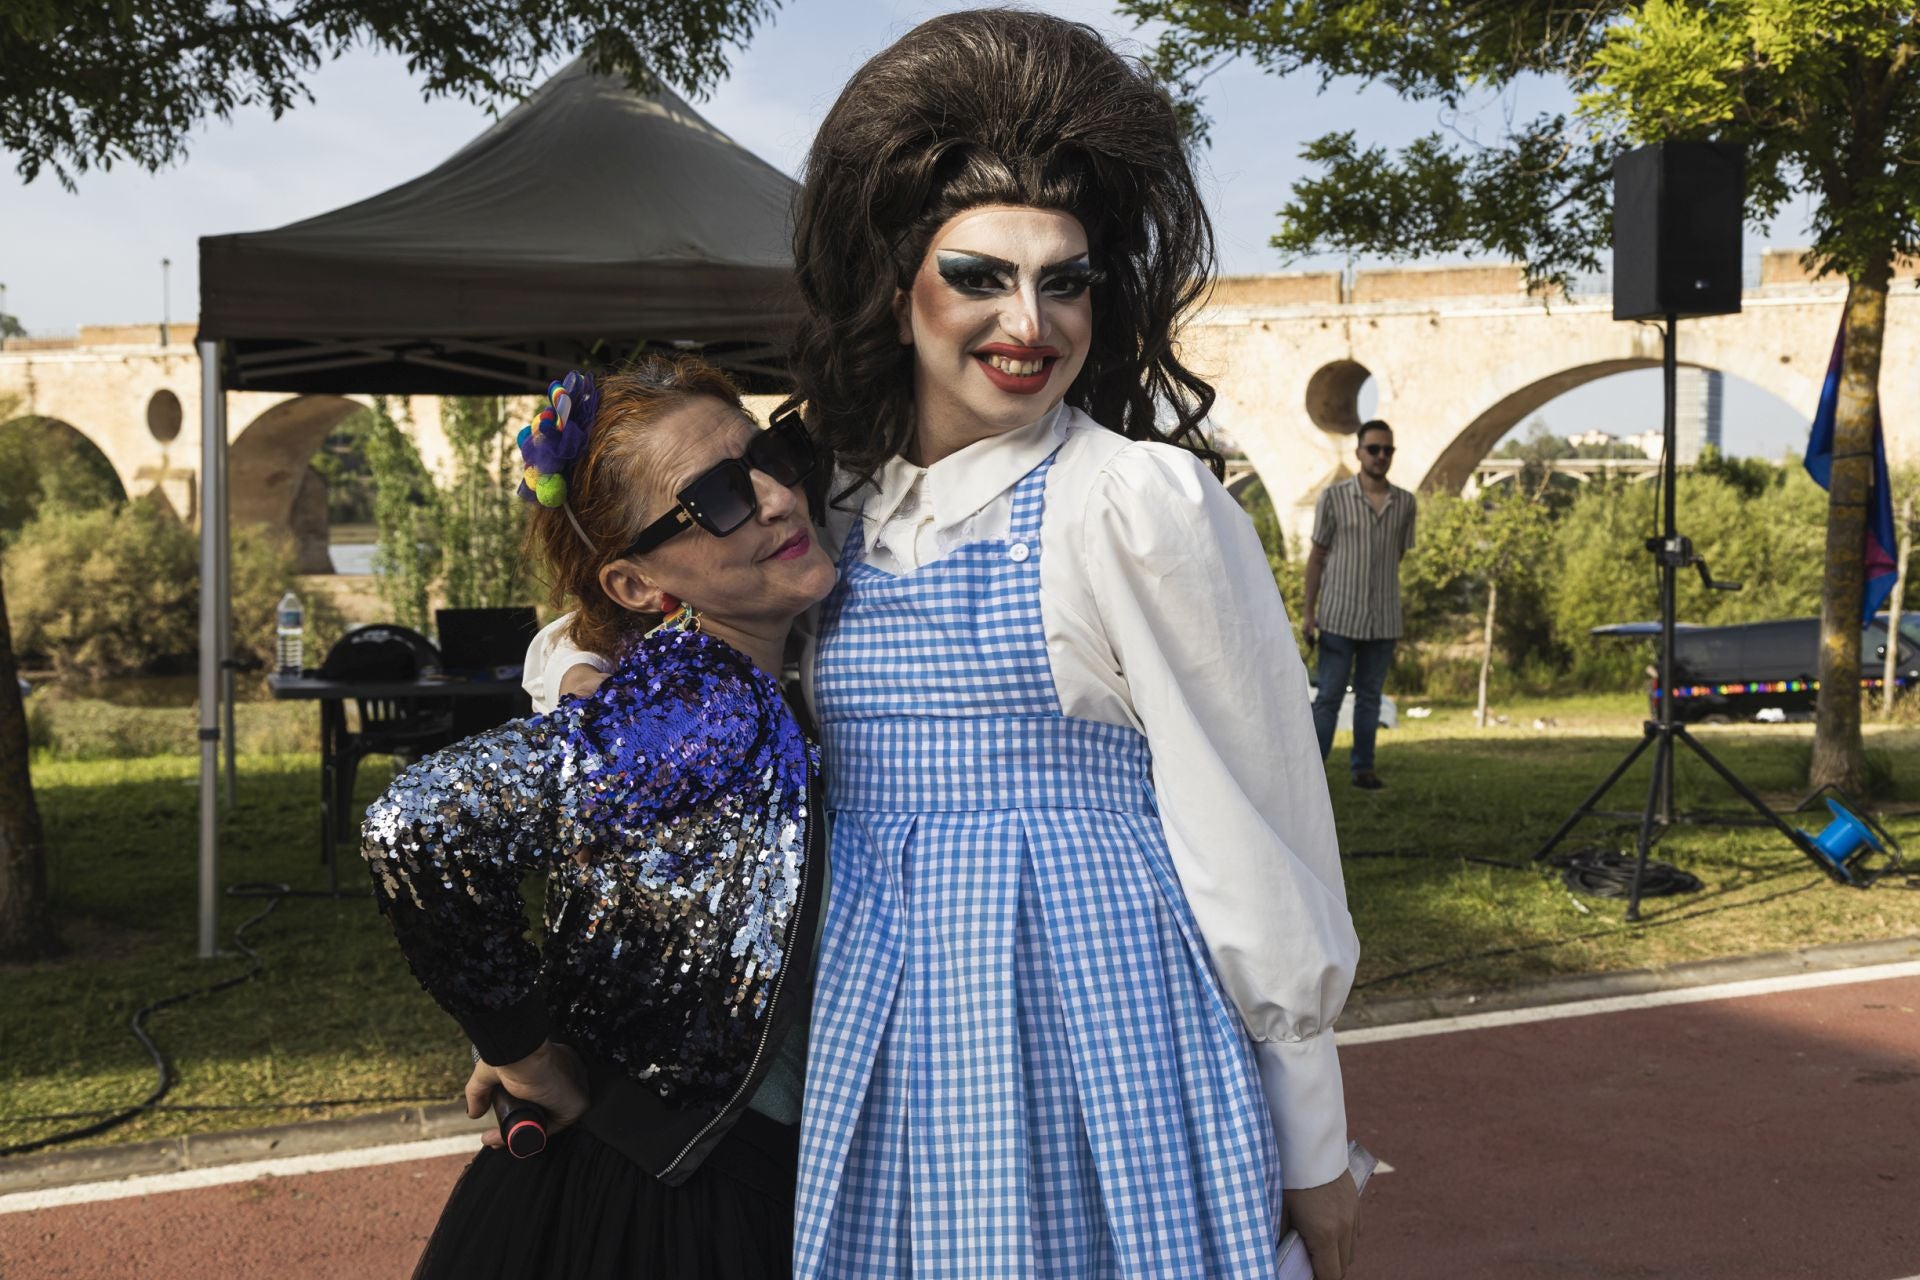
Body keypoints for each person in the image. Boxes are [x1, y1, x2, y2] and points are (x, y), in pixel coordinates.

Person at [529, 12, 1362, 1277]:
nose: (1029, 321)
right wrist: (578, 675)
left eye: (1065, 278)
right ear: (899, 284)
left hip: (1103, 1028)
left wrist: (1313, 1141)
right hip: (889, 1041)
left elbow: (1259, 829)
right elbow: (602, 624)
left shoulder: (1130, 503)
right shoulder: (834, 506)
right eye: (980, 274)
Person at [360, 357, 838, 1280]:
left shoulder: (704, 675)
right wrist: (520, 1045)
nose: (780, 497)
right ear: (632, 584)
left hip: (647, 1171)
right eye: (720, 499)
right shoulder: (703, 704)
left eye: (774, 455)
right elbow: (416, 822)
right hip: (678, 1199)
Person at [1304, 419, 1417, 791]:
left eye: (1388, 450)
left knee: (1370, 698)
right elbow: (1317, 556)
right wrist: (1308, 613)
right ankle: (1313, 773)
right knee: (1329, 698)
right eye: (1374, 449)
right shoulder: (1333, 498)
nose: (1381, 456)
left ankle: (1363, 771)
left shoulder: (1406, 503)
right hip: (1338, 616)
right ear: (1359, 453)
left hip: (1383, 619)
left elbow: (1397, 554)